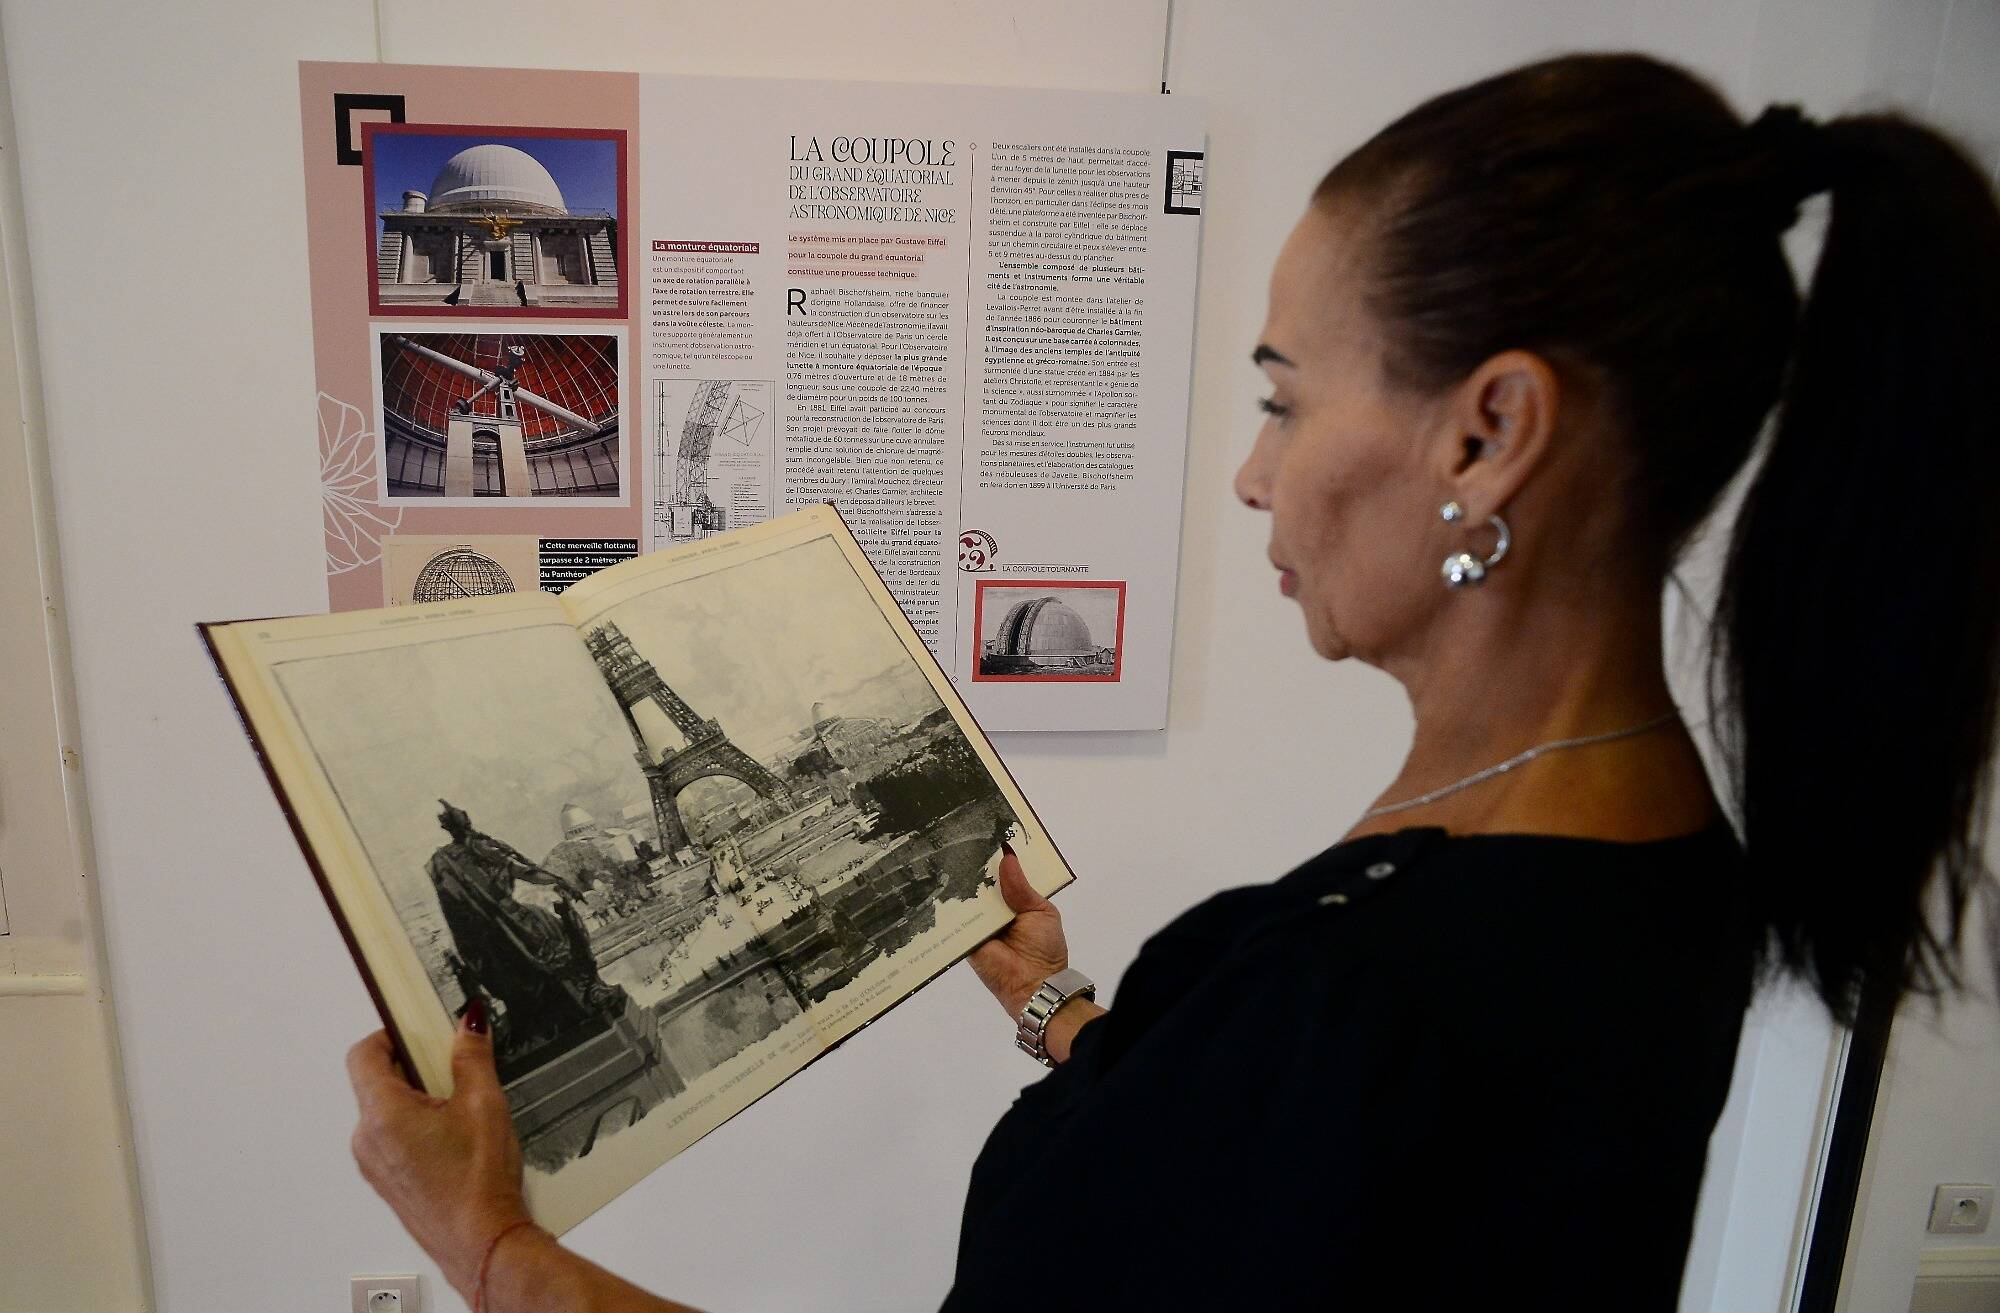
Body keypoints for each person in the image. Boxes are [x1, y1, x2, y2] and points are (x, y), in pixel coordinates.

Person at [345, 52, 2000, 1310]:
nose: (1252, 480)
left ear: (1487, 434)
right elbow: (1305, 1208)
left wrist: (483, 1239)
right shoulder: (1651, 863)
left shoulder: (1382, 994)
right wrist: (1070, 1020)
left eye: (1285, 399)